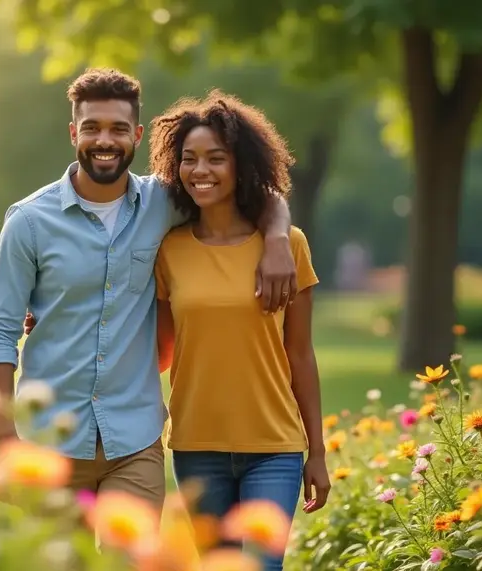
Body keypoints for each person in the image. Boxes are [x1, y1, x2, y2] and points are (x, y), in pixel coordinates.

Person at [0, 68, 298, 518]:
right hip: (49, 442)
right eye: (92, 128)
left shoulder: (166, 203)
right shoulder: (28, 223)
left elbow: (255, 194)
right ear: (73, 133)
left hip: (134, 442)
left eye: (118, 129)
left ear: (137, 135)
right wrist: (6, 440)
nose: (104, 140)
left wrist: (279, 239)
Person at [149, 90, 329, 570]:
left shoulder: (288, 245)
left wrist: (318, 452)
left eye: (215, 158)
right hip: (196, 446)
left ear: (241, 164)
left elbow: (302, 356)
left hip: (274, 449)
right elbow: (161, 352)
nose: (200, 170)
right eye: (189, 159)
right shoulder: (168, 250)